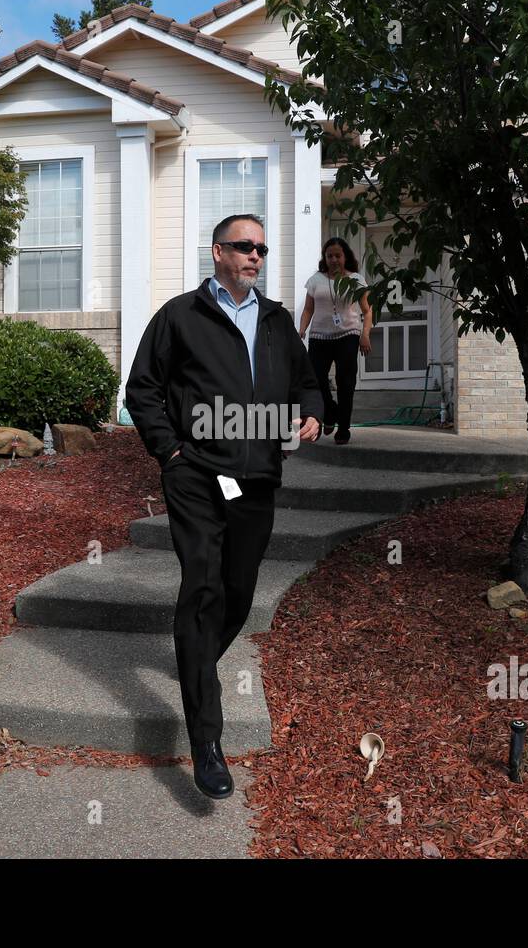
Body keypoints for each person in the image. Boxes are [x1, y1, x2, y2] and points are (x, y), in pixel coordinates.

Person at [124, 213, 323, 799]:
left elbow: (305, 380)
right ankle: (206, 742)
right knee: (204, 587)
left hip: (256, 477)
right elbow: (142, 389)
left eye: (261, 248)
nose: (255, 256)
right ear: (217, 253)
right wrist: (170, 452)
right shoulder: (180, 316)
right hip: (198, 475)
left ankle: (196, 659)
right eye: (244, 246)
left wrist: (312, 409)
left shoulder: (277, 320)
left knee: (238, 588)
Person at [297, 237, 373, 445]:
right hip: (319, 337)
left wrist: (365, 334)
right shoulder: (315, 280)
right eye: (329, 256)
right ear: (325, 258)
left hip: (348, 335)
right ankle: (330, 412)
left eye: (337, 255)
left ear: (345, 256)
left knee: (345, 383)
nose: (333, 259)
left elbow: (367, 311)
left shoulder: (355, 279)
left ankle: (344, 428)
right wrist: (302, 329)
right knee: (315, 379)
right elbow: (308, 309)